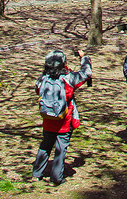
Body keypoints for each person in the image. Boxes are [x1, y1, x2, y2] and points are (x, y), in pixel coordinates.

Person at [32, 47, 92, 185]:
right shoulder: (69, 78)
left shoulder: (43, 78)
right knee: (60, 148)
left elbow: (37, 90)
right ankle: (56, 177)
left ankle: (37, 173)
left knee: (45, 145)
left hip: (48, 120)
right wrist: (84, 58)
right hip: (64, 121)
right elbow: (86, 73)